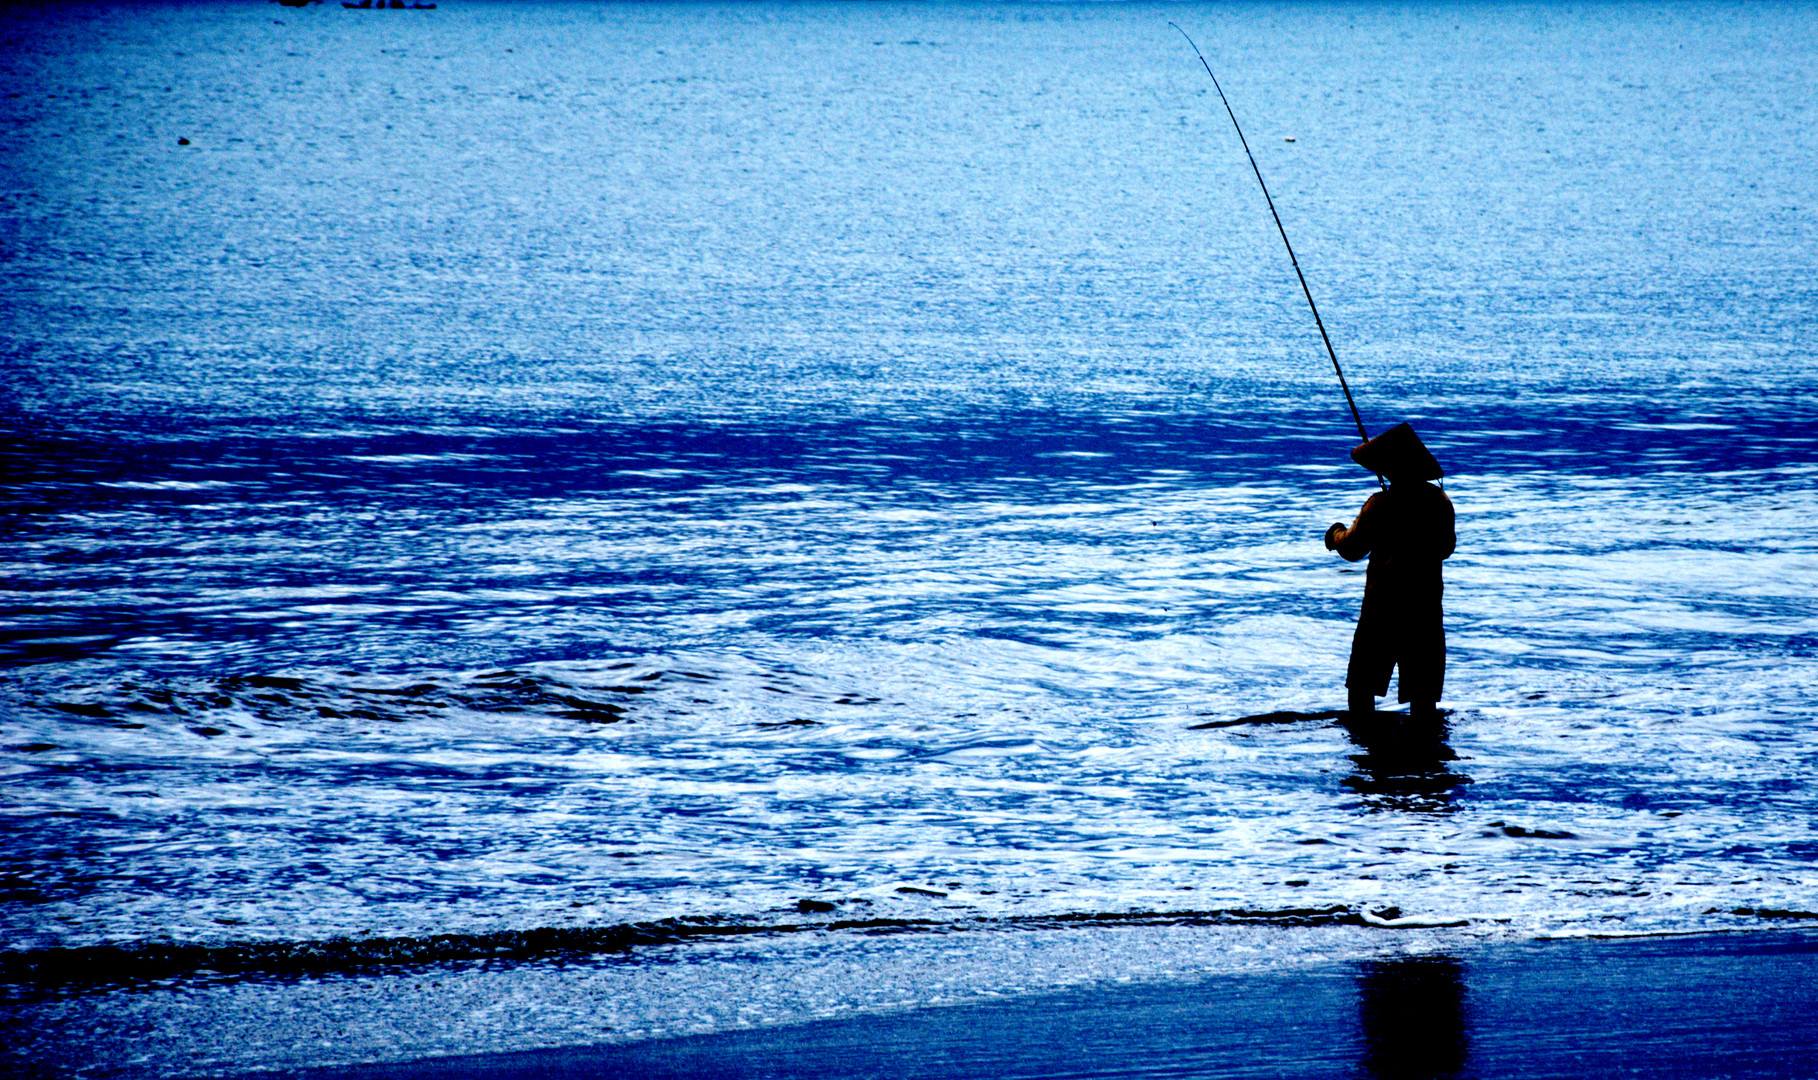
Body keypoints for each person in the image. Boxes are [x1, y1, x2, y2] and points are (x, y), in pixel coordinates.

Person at [1323, 422, 1455, 720]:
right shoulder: (1440, 502)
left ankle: (1367, 743)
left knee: (1361, 687)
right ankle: (1422, 754)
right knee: (1423, 698)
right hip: (1425, 612)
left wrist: (1334, 535)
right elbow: (1446, 548)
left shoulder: (1379, 504)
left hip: (1382, 612)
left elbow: (1353, 548)